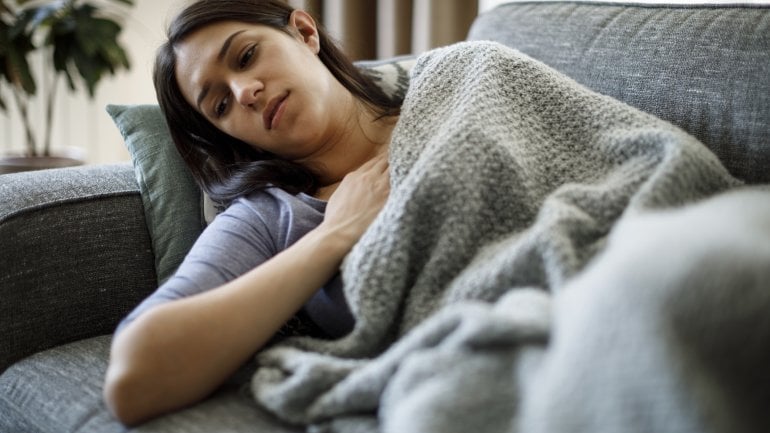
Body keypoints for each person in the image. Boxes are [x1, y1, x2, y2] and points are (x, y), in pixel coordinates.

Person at [103, 0, 398, 425]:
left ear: (305, 32)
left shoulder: (454, 89)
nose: (244, 93)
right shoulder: (269, 216)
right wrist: (333, 235)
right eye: (220, 106)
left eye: (246, 56)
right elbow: (134, 379)